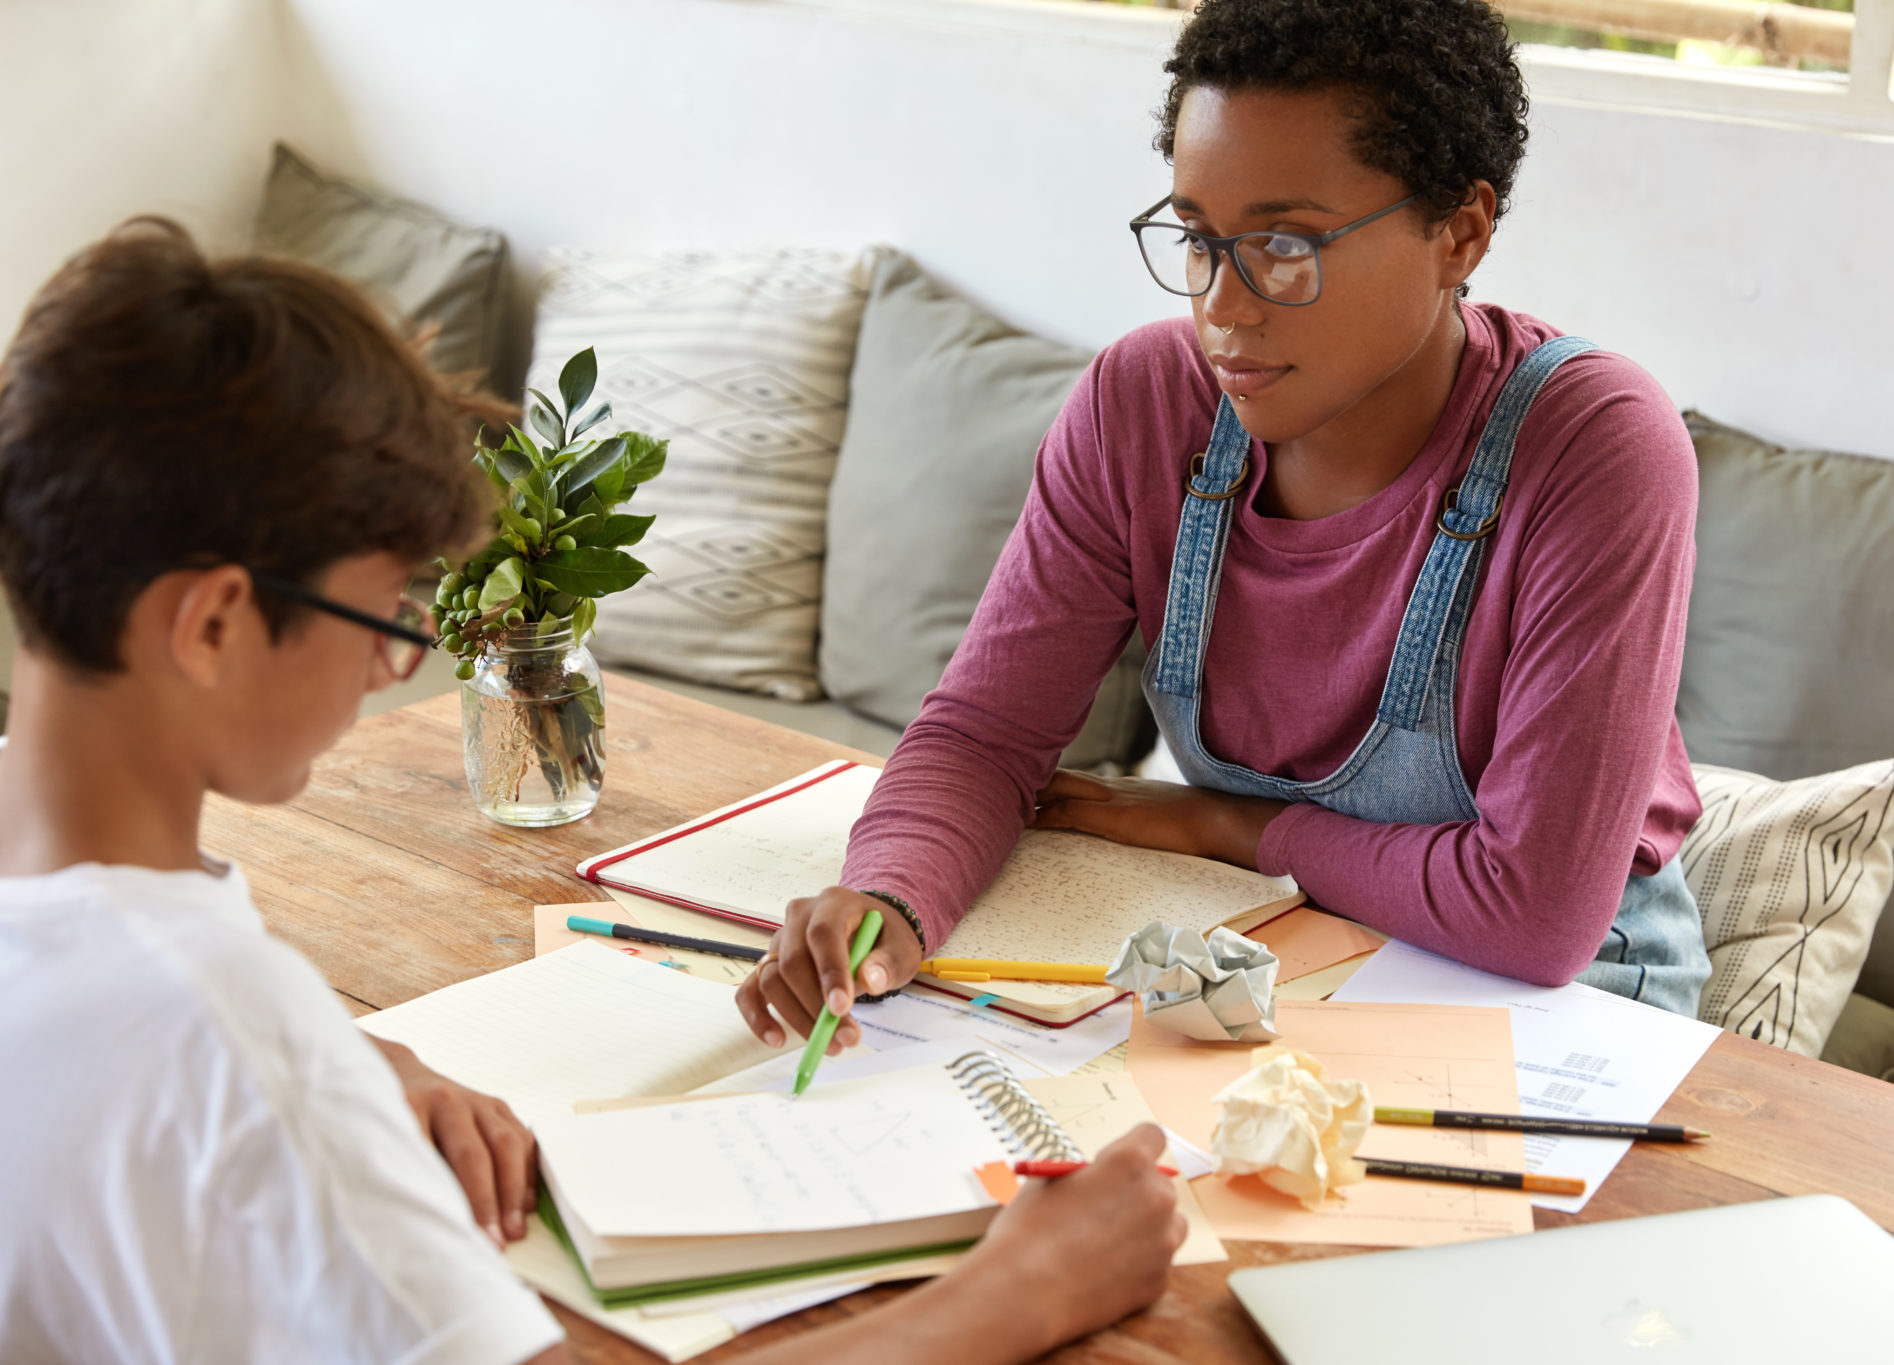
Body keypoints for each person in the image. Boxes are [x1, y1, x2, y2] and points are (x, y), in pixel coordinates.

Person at [0, 219, 1184, 1364]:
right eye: (384, 620)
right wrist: (1019, 1293)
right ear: (212, 623)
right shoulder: (238, 1045)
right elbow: (205, 1041)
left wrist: (352, 1057)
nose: (390, 666)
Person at [737, 0, 1711, 1059]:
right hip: (1274, 944)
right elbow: (984, 736)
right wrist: (887, 899)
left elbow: (1530, 915)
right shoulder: (1143, 403)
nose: (1221, 306)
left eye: (1284, 245)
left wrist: (1224, 827)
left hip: (1570, 999)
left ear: (1459, 232)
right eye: (1198, 238)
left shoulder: (1593, 444)